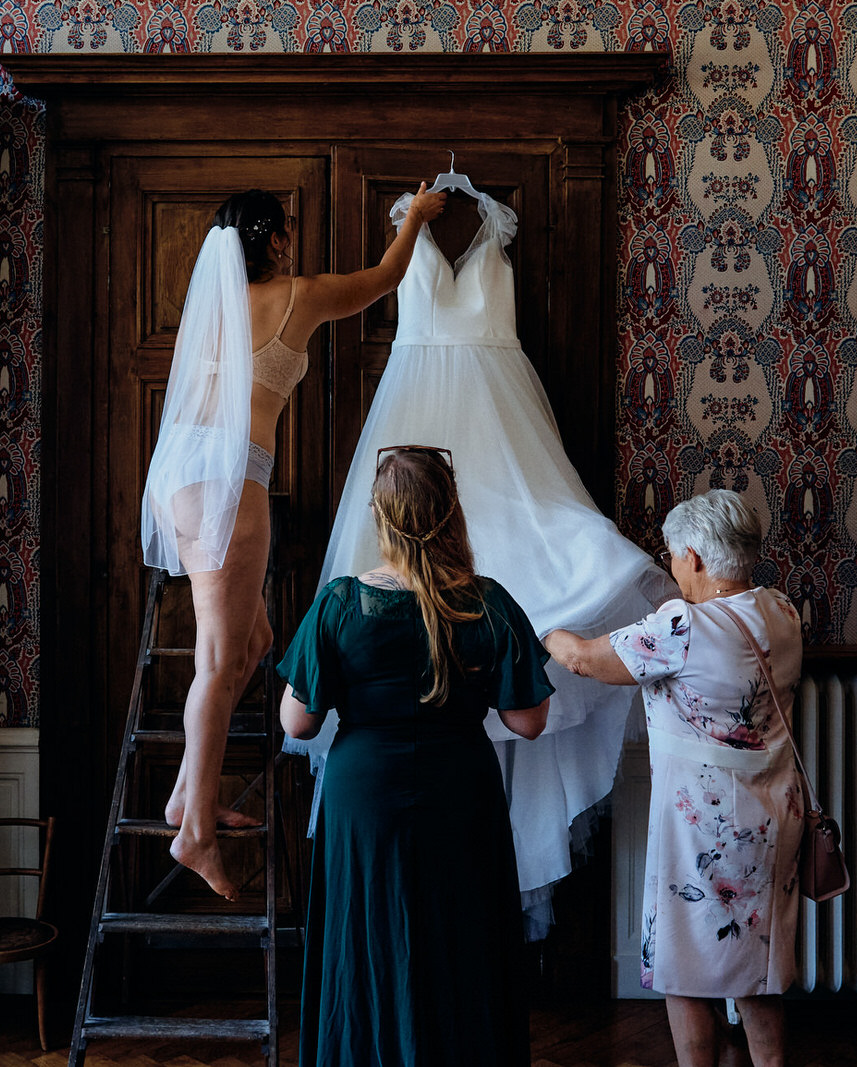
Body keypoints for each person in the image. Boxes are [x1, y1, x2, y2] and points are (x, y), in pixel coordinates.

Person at [289, 183, 679, 932]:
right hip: (419, 406)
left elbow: (297, 718)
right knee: (465, 591)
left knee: (546, 550)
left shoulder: (494, 229)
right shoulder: (414, 231)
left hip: (499, 423)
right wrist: (416, 220)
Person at [142, 185, 446, 899]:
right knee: (218, 659)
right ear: (274, 239)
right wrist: (418, 220)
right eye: (288, 229)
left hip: (179, 472)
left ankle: (190, 792)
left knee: (252, 644)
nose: (293, 239)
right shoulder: (297, 295)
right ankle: (195, 834)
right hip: (228, 476)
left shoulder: (209, 308)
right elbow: (386, 279)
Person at [280, 446, 552, 1066]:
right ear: (451, 514)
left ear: (380, 517)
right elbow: (528, 721)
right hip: (458, 789)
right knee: (460, 935)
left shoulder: (340, 603)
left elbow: (298, 721)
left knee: (366, 938)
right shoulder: (488, 602)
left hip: (363, 797)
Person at [544, 489, 804, 1067]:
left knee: (682, 965)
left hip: (705, 827)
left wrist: (545, 626)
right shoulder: (781, 612)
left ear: (698, 558)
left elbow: (585, 659)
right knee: (756, 965)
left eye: (671, 556)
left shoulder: (684, 626)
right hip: (772, 814)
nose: (669, 568)